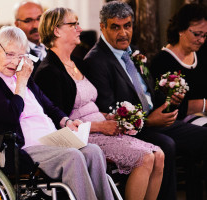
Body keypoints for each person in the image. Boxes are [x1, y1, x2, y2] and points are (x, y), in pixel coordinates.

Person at [0, 25, 115, 200]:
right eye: (10, 55)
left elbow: (48, 105)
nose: (15, 62)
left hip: (50, 140)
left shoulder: (22, 76)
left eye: (21, 56)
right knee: (73, 156)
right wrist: (20, 83)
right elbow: (11, 115)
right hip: (21, 149)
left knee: (93, 151)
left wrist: (66, 121)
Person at [34, 7, 164, 200]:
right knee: (144, 158)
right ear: (56, 30)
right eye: (73, 24)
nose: (80, 29)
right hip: (83, 137)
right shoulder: (48, 71)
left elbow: (88, 103)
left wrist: (109, 117)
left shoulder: (78, 62)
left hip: (102, 128)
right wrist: (100, 126)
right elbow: (58, 121)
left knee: (159, 155)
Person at [83, 1, 207, 200]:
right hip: (132, 130)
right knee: (166, 145)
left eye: (128, 26)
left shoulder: (133, 51)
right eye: (116, 27)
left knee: (203, 136)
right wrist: (148, 121)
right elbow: (108, 111)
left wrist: (169, 98)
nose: (123, 33)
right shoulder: (96, 61)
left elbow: (148, 91)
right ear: (103, 27)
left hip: (156, 120)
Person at [150, 3, 207, 126]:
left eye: (205, 35)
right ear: (181, 29)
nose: (201, 40)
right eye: (197, 34)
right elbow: (165, 108)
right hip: (180, 123)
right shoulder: (162, 62)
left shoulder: (202, 52)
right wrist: (203, 104)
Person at [14, 0, 47, 76]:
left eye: (39, 18)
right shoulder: (14, 55)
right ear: (17, 24)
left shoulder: (54, 46)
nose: (36, 25)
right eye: (28, 21)